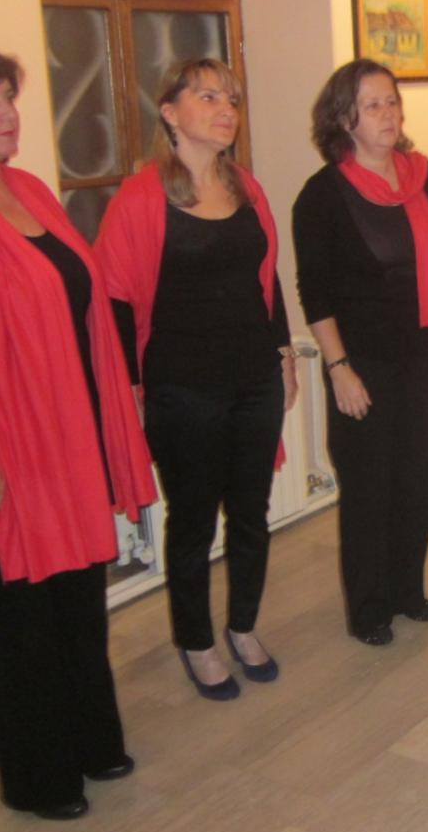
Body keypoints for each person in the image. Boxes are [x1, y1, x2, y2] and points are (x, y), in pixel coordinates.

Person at [0, 40, 155, 818]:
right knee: (18, 610)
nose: (8, 114)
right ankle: (37, 778)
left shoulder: (29, 191)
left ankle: (92, 740)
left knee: (78, 594)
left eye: (9, 98)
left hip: (67, 432)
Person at [96, 58, 296, 701]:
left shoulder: (247, 187)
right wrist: (130, 391)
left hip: (253, 377)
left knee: (252, 515)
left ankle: (242, 626)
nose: (225, 109)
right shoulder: (141, 197)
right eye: (207, 96)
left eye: (231, 98)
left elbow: (267, 277)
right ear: (169, 111)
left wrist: (284, 354)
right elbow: (115, 300)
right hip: (182, 387)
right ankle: (196, 639)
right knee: (193, 522)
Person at [293, 60, 428, 646]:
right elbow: (315, 292)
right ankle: (368, 607)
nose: (388, 114)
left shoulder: (426, 178)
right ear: (344, 118)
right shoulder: (322, 196)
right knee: (369, 484)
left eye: (392, 101)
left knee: (417, 477)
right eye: (373, 105)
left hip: (418, 348)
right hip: (360, 359)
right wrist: (338, 368)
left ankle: (406, 589)